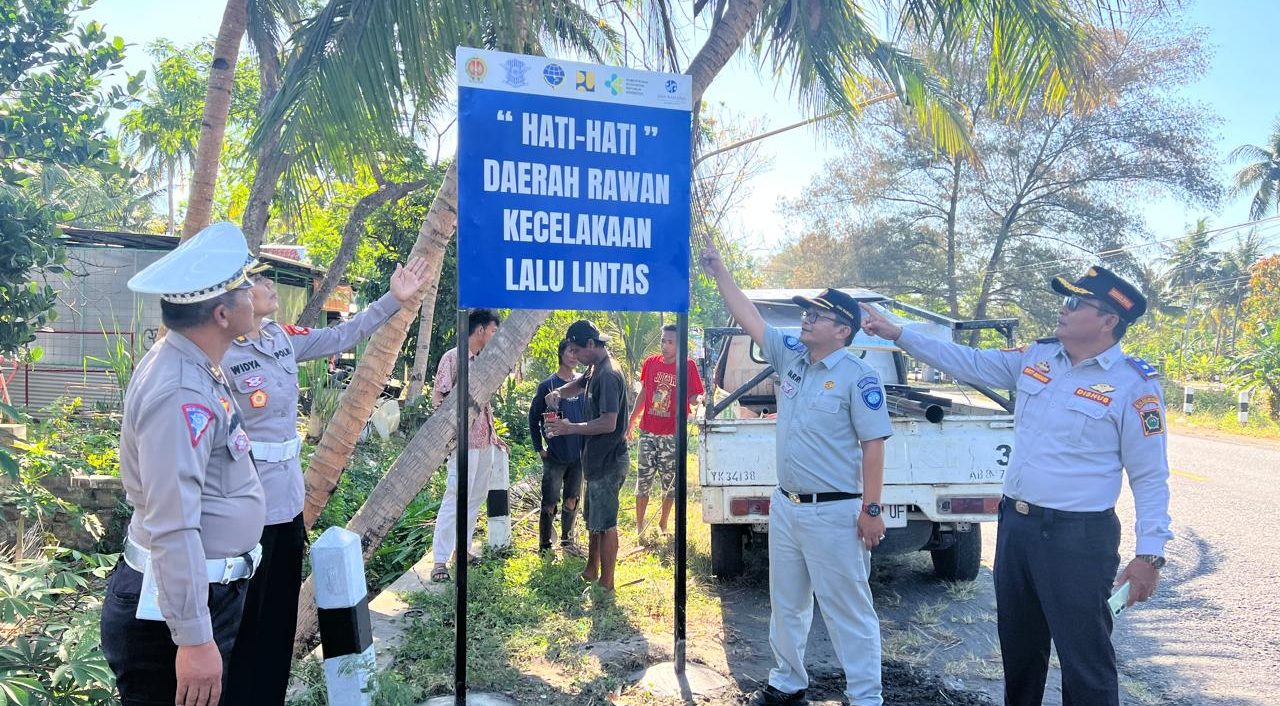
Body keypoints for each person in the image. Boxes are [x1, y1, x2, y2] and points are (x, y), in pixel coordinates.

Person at [858, 265, 1172, 706]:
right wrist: (899, 334)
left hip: (1078, 539)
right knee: (1020, 652)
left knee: (1085, 659)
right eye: (1065, 300)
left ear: (1108, 320)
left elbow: (1150, 476)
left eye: (1075, 303)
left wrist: (1150, 555)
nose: (1063, 310)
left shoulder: (1133, 385)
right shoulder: (1037, 358)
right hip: (1018, 527)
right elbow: (968, 361)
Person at [221, 256, 427, 704]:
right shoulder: (219, 354)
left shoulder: (279, 338)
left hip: (287, 503)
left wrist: (395, 298)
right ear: (233, 297)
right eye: (257, 280)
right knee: (243, 621)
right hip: (243, 509)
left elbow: (342, 335)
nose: (268, 284)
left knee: (277, 618)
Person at [701, 247, 892, 706]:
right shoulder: (792, 358)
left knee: (848, 609)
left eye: (818, 314)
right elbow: (748, 316)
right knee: (787, 604)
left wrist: (871, 509)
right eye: (807, 311)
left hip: (836, 512)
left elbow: (874, 446)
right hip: (787, 505)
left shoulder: (858, 377)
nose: (806, 318)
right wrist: (721, 271)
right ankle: (788, 683)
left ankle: (866, 697)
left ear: (842, 330)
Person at [100, 222, 265, 706]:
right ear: (221, 314)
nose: (253, 292)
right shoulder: (179, 391)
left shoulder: (194, 365)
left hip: (197, 595)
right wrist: (193, 638)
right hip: (172, 615)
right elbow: (173, 523)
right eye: (243, 287)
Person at [544, 320, 629, 592]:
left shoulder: (608, 374)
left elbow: (609, 423)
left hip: (608, 461)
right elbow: (579, 384)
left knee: (606, 523)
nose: (576, 357)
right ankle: (592, 570)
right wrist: (559, 392)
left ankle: (608, 582)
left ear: (591, 345)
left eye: (578, 351)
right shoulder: (595, 368)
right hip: (594, 461)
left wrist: (570, 427)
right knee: (594, 521)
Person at [429, 309, 506, 582]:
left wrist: (493, 434)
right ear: (481, 329)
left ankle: (462, 550)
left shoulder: (486, 362)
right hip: (463, 443)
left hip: (484, 439)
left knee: (475, 497)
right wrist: (451, 430)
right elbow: (439, 395)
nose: (495, 337)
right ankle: (439, 560)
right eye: (494, 331)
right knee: (454, 497)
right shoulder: (454, 358)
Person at [625, 324, 704, 536]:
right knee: (643, 479)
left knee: (669, 483)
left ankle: (662, 524)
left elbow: (693, 396)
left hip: (672, 434)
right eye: (663, 341)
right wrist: (632, 420)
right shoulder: (650, 363)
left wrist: (698, 399)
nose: (665, 346)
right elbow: (644, 394)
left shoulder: (688, 366)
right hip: (649, 431)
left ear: (680, 345)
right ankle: (639, 525)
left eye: (671, 342)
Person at [528, 338, 589, 556]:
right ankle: (545, 545)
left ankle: (567, 540)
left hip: (578, 455)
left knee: (572, 498)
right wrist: (539, 447)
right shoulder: (548, 385)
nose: (574, 356)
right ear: (561, 354)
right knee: (550, 502)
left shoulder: (583, 383)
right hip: (555, 455)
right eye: (569, 352)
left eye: (576, 351)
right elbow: (533, 418)